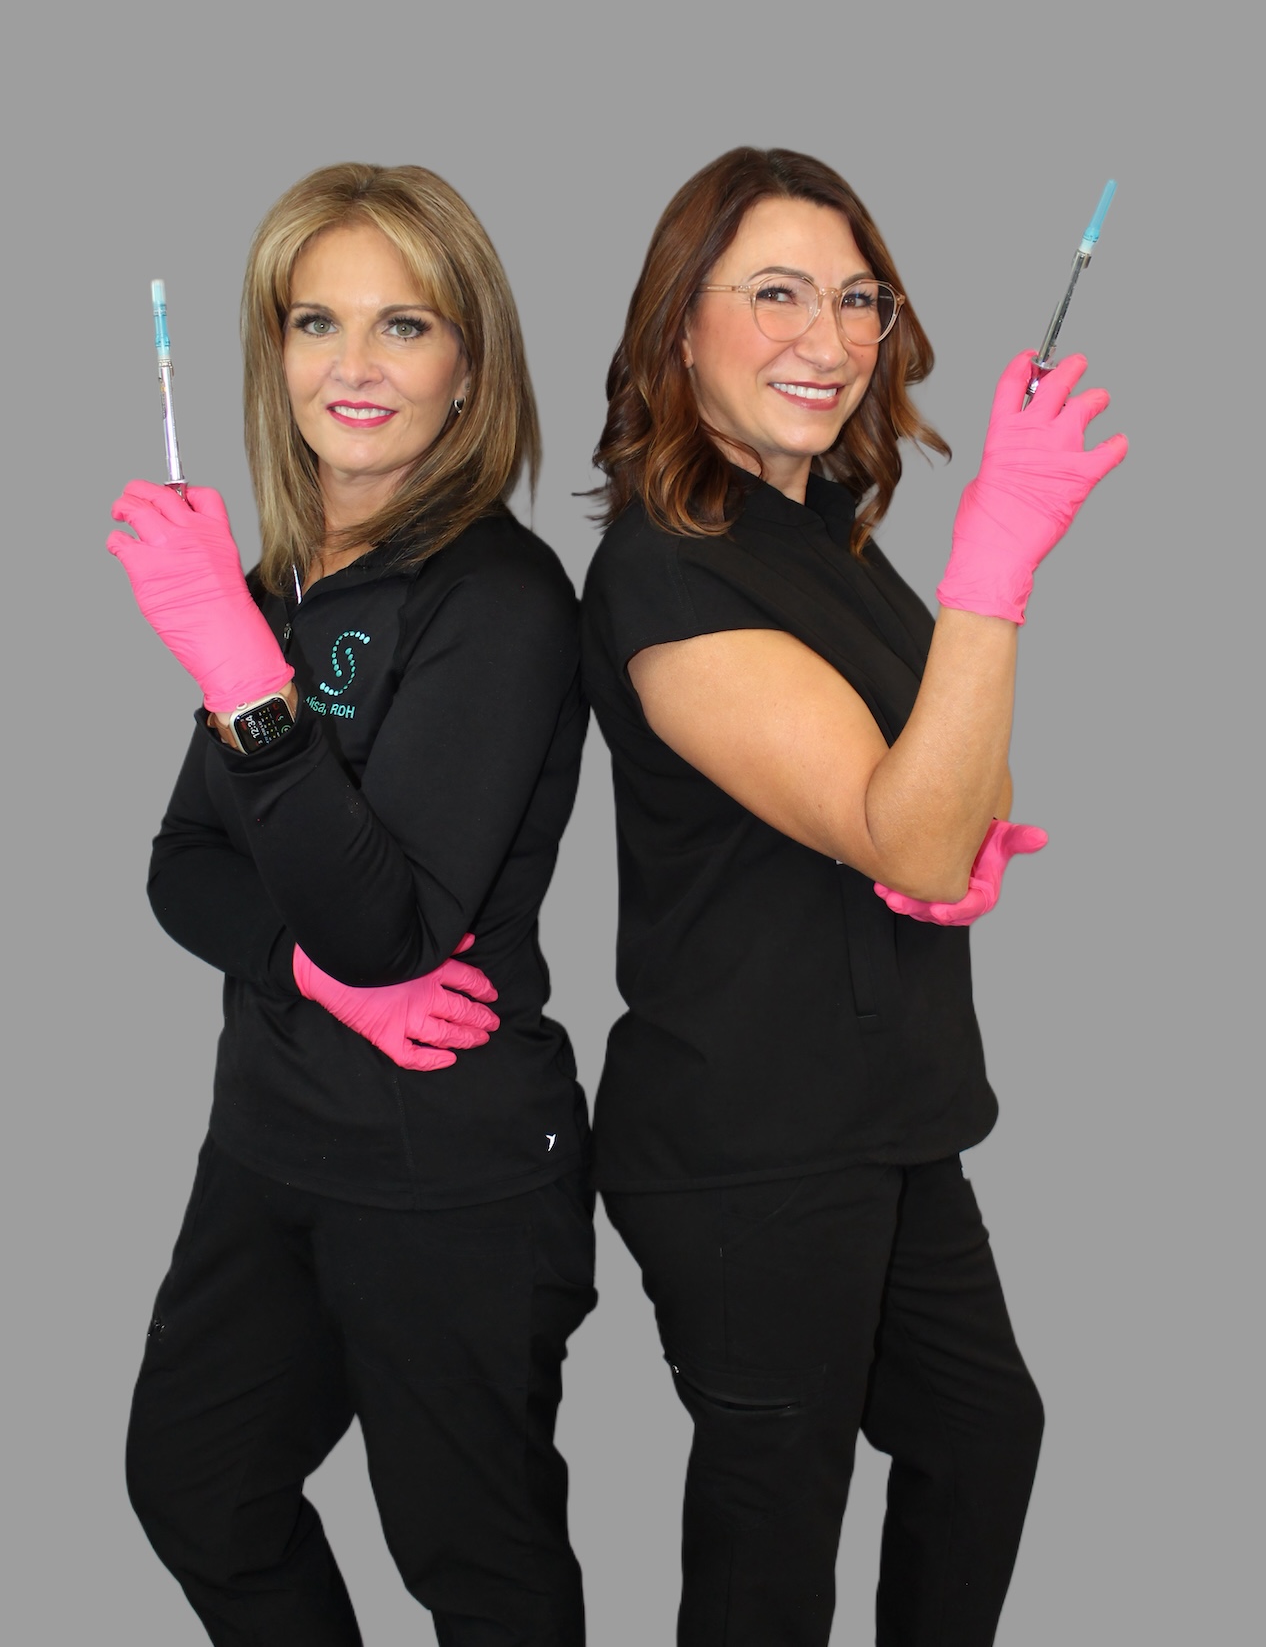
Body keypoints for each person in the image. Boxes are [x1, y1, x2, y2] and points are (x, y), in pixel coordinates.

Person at [581, 146, 1127, 1646]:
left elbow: (957, 802)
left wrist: (957, 830)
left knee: (979, 1437)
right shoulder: (663, 571)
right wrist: (996, 566)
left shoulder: (827, 544)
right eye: (773, 296)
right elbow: (905, 836)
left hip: (888, 1117)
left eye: (855, 299)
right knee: (774, 1543)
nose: (826, 343)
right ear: (676, 327)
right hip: (748, 1143)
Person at [109, 163, 595, 1647]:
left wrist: (240, 677)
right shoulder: (274, 581)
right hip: (270, 1138)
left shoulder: (500, 603)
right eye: (315, 323)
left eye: (405, 325)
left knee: (476, 1566)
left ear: (469, 368)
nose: (353, 367)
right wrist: (307, 983)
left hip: (444, 1161)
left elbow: (386, 931)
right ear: (272, 353)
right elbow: (181, 865)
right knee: (198, 1484)